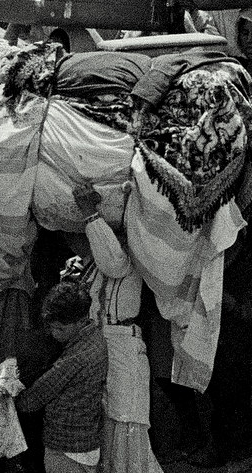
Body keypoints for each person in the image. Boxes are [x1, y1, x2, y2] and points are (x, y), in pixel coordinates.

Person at [68, 185, 161, 473]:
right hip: (102, 343)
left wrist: (90, 214)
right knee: (108, 418)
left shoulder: (129, 257)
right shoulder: (94, 262)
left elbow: (114, 263)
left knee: (125, 419)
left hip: (123, 344)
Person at [16, 281, 111, 473]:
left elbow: (32, 400)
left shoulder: (77, 357)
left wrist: (10, 392)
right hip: (85, 443)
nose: (54, 334)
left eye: (59, 328)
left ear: (81, 320)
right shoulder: (95, 338)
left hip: (65, 448)